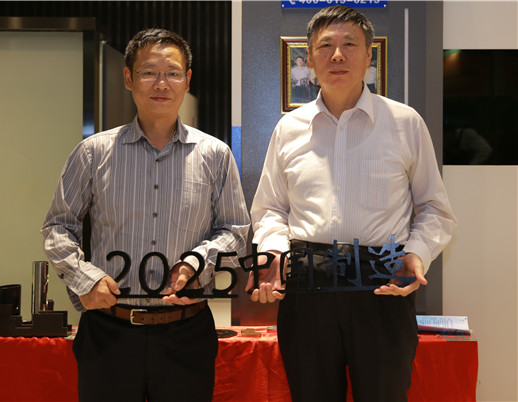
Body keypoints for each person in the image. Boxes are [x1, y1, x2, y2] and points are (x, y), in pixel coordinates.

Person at [247, 6, 456, 402]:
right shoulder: (289, 129)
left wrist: (416, 253)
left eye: (350, 45)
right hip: (307, 285)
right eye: (325, 46)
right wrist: (272, 252)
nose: (338, 55)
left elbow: (434, 208)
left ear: (369, 55)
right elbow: (270, 208)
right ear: (310, 60)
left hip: (382, 284)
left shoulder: (405, 123)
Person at [41, 28, 250, 402]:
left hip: (186, 334)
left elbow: (234, 229)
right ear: (128, 78)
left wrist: (197, 263)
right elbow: (59, 225)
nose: (161, 83)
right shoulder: (93, 152)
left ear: (187, 80)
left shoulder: (215, 154)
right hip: (109, 331)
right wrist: (84, 278)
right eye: (149, 72)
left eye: (172, 73)